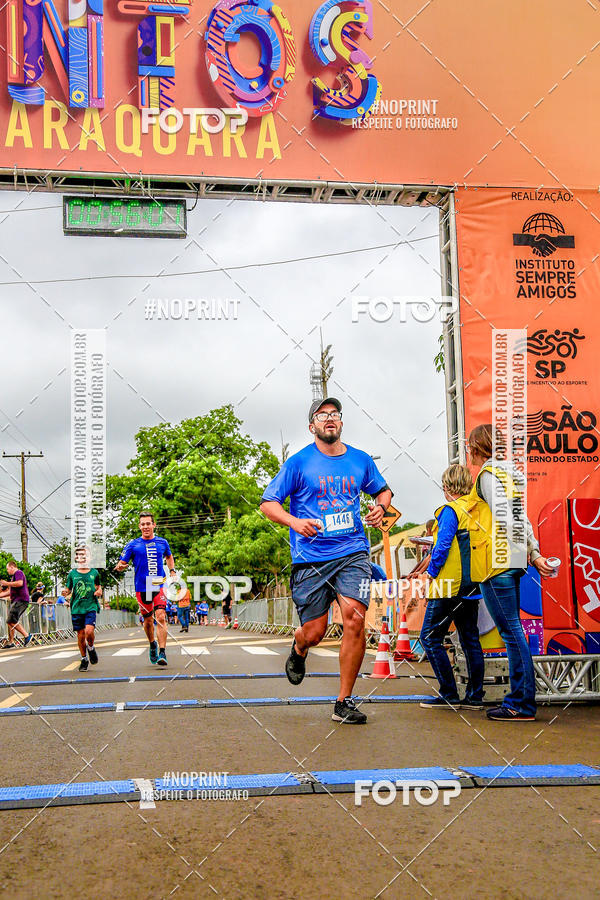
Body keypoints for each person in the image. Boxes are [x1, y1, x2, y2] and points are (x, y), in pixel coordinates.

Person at [260, 397, 392, 724]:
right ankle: (299, 647)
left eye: (334, 415)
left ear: (341, 423)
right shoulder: (298, 462)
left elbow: (384, 491)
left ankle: (344, 701)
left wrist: (381, 506)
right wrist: (294, 522)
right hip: (311, 557)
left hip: (352, 550)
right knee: (315, 632)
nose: (329, 419)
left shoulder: (360, 460)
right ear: (312, 427)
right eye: (322, 416)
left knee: (354, 617)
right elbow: (268, 504)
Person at [468, 424, 553, 721]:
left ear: (477, 447)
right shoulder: (509, 474)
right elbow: (521, 517)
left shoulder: (488, 476)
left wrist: (526, 549)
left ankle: (520, 702)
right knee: (514, 630)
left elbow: (505, 517)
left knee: (512, 632)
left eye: (470, 447)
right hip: (512, 560)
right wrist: (533, 552)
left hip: (495, 562)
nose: (469, 453)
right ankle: (521, 700)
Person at [419, 465, 485, 710]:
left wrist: (430, 574)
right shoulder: (477, 510)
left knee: (430, 637)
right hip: (472, 585)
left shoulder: (450, 511)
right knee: (470, 640)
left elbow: (443, 546)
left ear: (447, 487)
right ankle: (475, 696)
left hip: (448, 586)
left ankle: (449, 693)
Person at [114, 512, 176, 666]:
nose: (146, 526)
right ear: (139, 526)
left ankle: (162, 652)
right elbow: (122, 563)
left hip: (158, 583)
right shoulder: (133, 544)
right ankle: (152, 643)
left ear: (154, 525)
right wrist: (121, 567)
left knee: (161, 616)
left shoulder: (163, 542)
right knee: (148, 621)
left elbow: (169, 556)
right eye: (143, 524)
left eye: (148, 523)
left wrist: (172, 571)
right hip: (142, 587)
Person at [65, 548, 102, 672]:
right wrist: (65, 593)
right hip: (76, 608)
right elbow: (68, 589)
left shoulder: (95, 573)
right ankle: (84, 658)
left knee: (89, 631)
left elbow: (98, 587)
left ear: (90, 558)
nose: (82, 557)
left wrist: (99, 591)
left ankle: (91, 648)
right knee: (80, 636)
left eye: (85, 555)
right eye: (79, 555)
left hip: (90, 606)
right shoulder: (72, 574)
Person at [0, 561, 33, 649]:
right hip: (17, 600)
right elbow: (10, 592)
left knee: (11, 620)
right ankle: (11, 641)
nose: (7, 571)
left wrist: (6, 583)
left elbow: (20, 583)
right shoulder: (14, 577)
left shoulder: (18, 573)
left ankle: (26, 636)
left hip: (20, 600)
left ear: (12, 567)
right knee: (10, 621)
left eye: (7, 569)